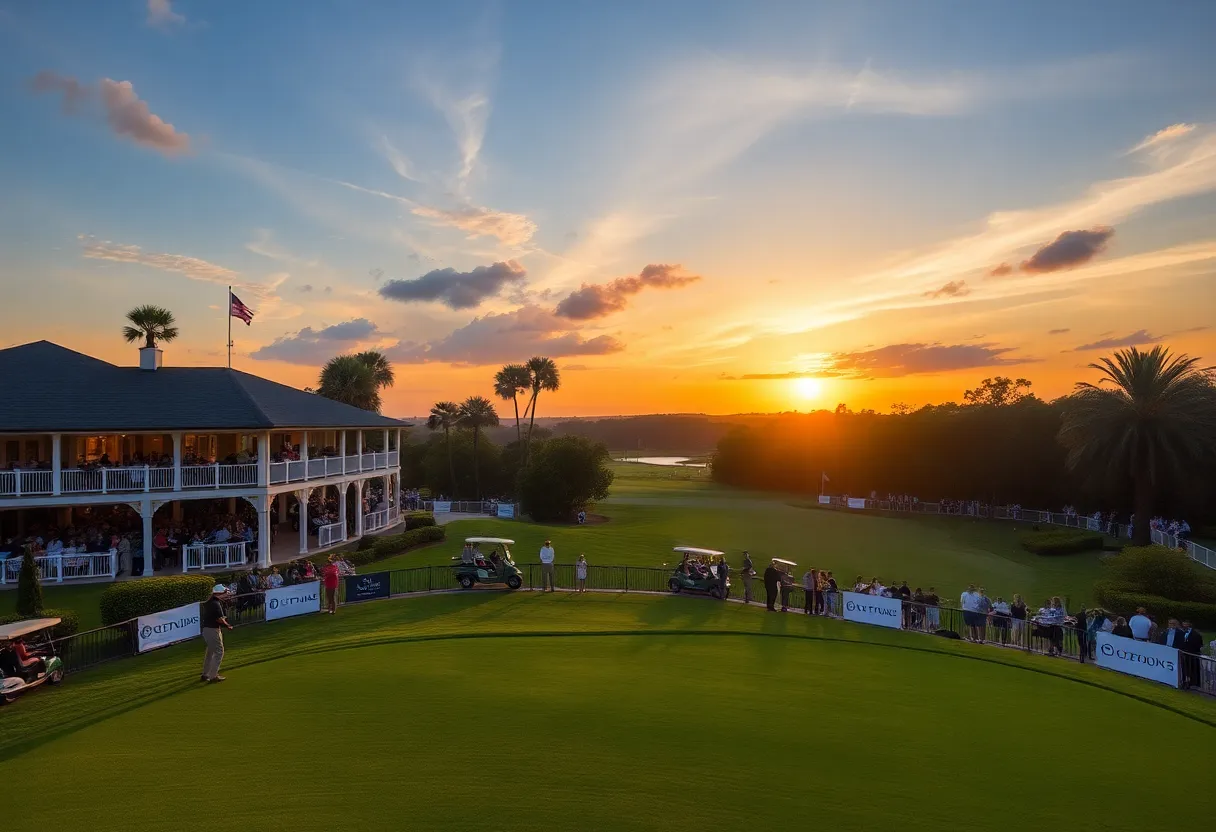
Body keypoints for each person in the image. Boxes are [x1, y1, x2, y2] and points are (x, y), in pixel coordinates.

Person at [200, 584, 233, 683]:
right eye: (225, 593)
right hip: (212, 630)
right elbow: (219, 619)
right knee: (219, 651)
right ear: (219, 594)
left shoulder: (210, 602)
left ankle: (205, 674)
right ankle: (213, 675)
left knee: (210, 652)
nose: (226, 595)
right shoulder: (215, 604)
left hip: (207, 630)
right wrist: (228, 625)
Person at [1179, 620, 1203, 690]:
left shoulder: (1196, 635)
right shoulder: (1181, 633)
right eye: (1183, 623)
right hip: (1183, 653)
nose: (1185, 625)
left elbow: (1199, 644)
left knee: (1190, 669)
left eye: (1186, 624)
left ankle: (1191, 682)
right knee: (1184, 668)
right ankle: (1184, 681)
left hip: (1191, 654)